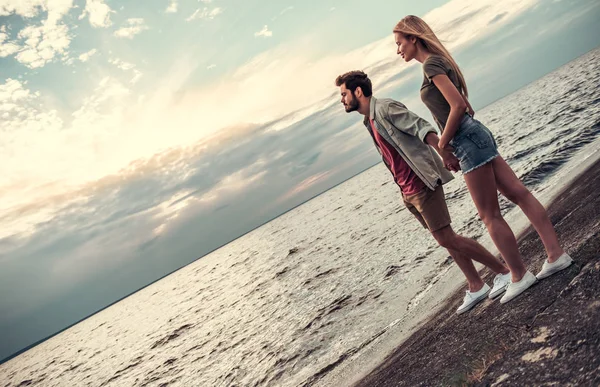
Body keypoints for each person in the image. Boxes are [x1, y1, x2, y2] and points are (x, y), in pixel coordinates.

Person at [391, 15, 573, 304]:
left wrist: (443, 142)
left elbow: (459, 106)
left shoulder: (431, 65)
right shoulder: (441, 61)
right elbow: (466, 106)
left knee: (490, 215)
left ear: (413, 38)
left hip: (466, 139)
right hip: (473, 135)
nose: (398, 49)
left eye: (399, 43)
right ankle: (555, 255)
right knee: (520, 194)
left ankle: (518, 275)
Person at [335, 70, 513, 314]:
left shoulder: (385, 108)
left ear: (357, 91)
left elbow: (421, 127)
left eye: (344, 94)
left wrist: (444, 152)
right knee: (445, 240)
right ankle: (476, 284)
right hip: (407, 191)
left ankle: (503, 271)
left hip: (421, 182)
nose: (342, 100)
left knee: (446, 238)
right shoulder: (369, 121)